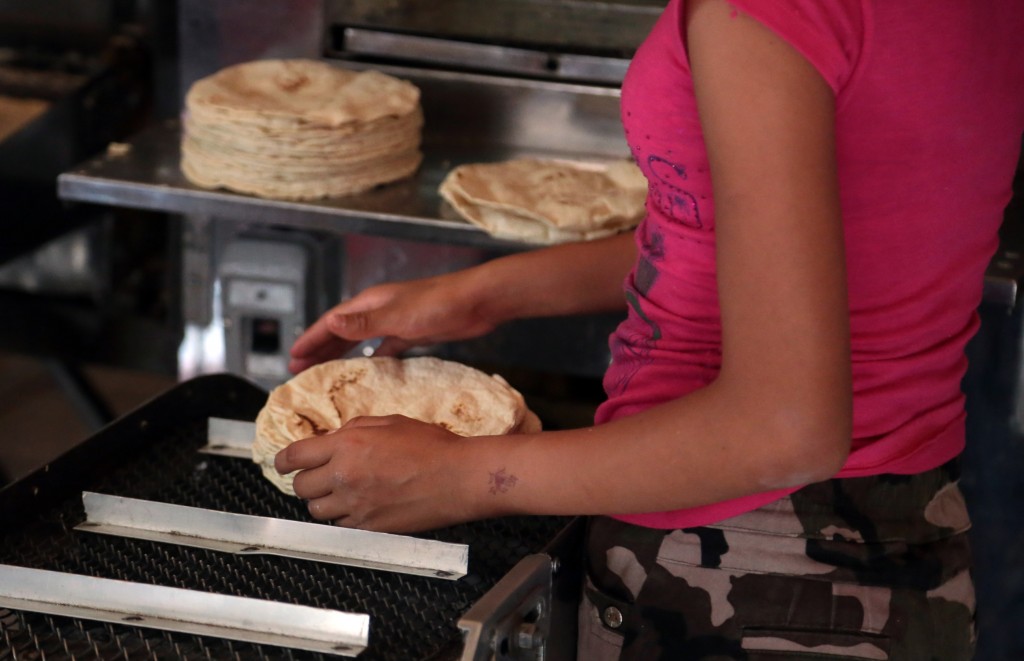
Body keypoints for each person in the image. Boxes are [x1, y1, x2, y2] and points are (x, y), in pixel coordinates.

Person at [275, 0, 1024, 657]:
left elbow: (785, 429)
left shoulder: (763, 11)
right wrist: (482, 296)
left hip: (749, 569)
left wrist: (459, 475)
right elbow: (762, 241)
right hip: (897, 536)